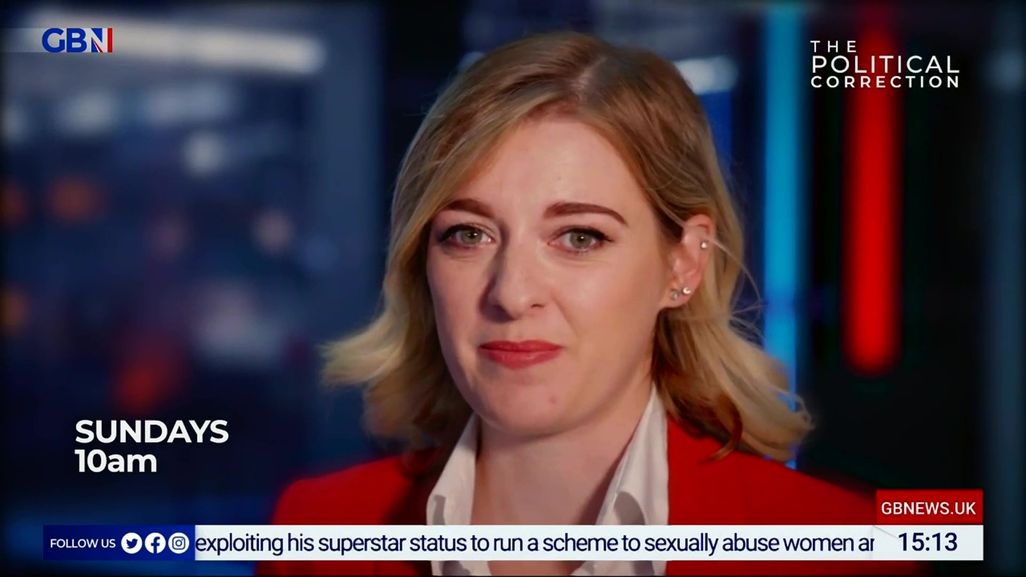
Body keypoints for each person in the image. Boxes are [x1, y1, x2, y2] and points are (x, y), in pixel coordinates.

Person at [258, 32, 923, 576]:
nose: (512, 293)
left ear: (683, 263)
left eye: (580, 237)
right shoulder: (318, 537)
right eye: (468, 234)